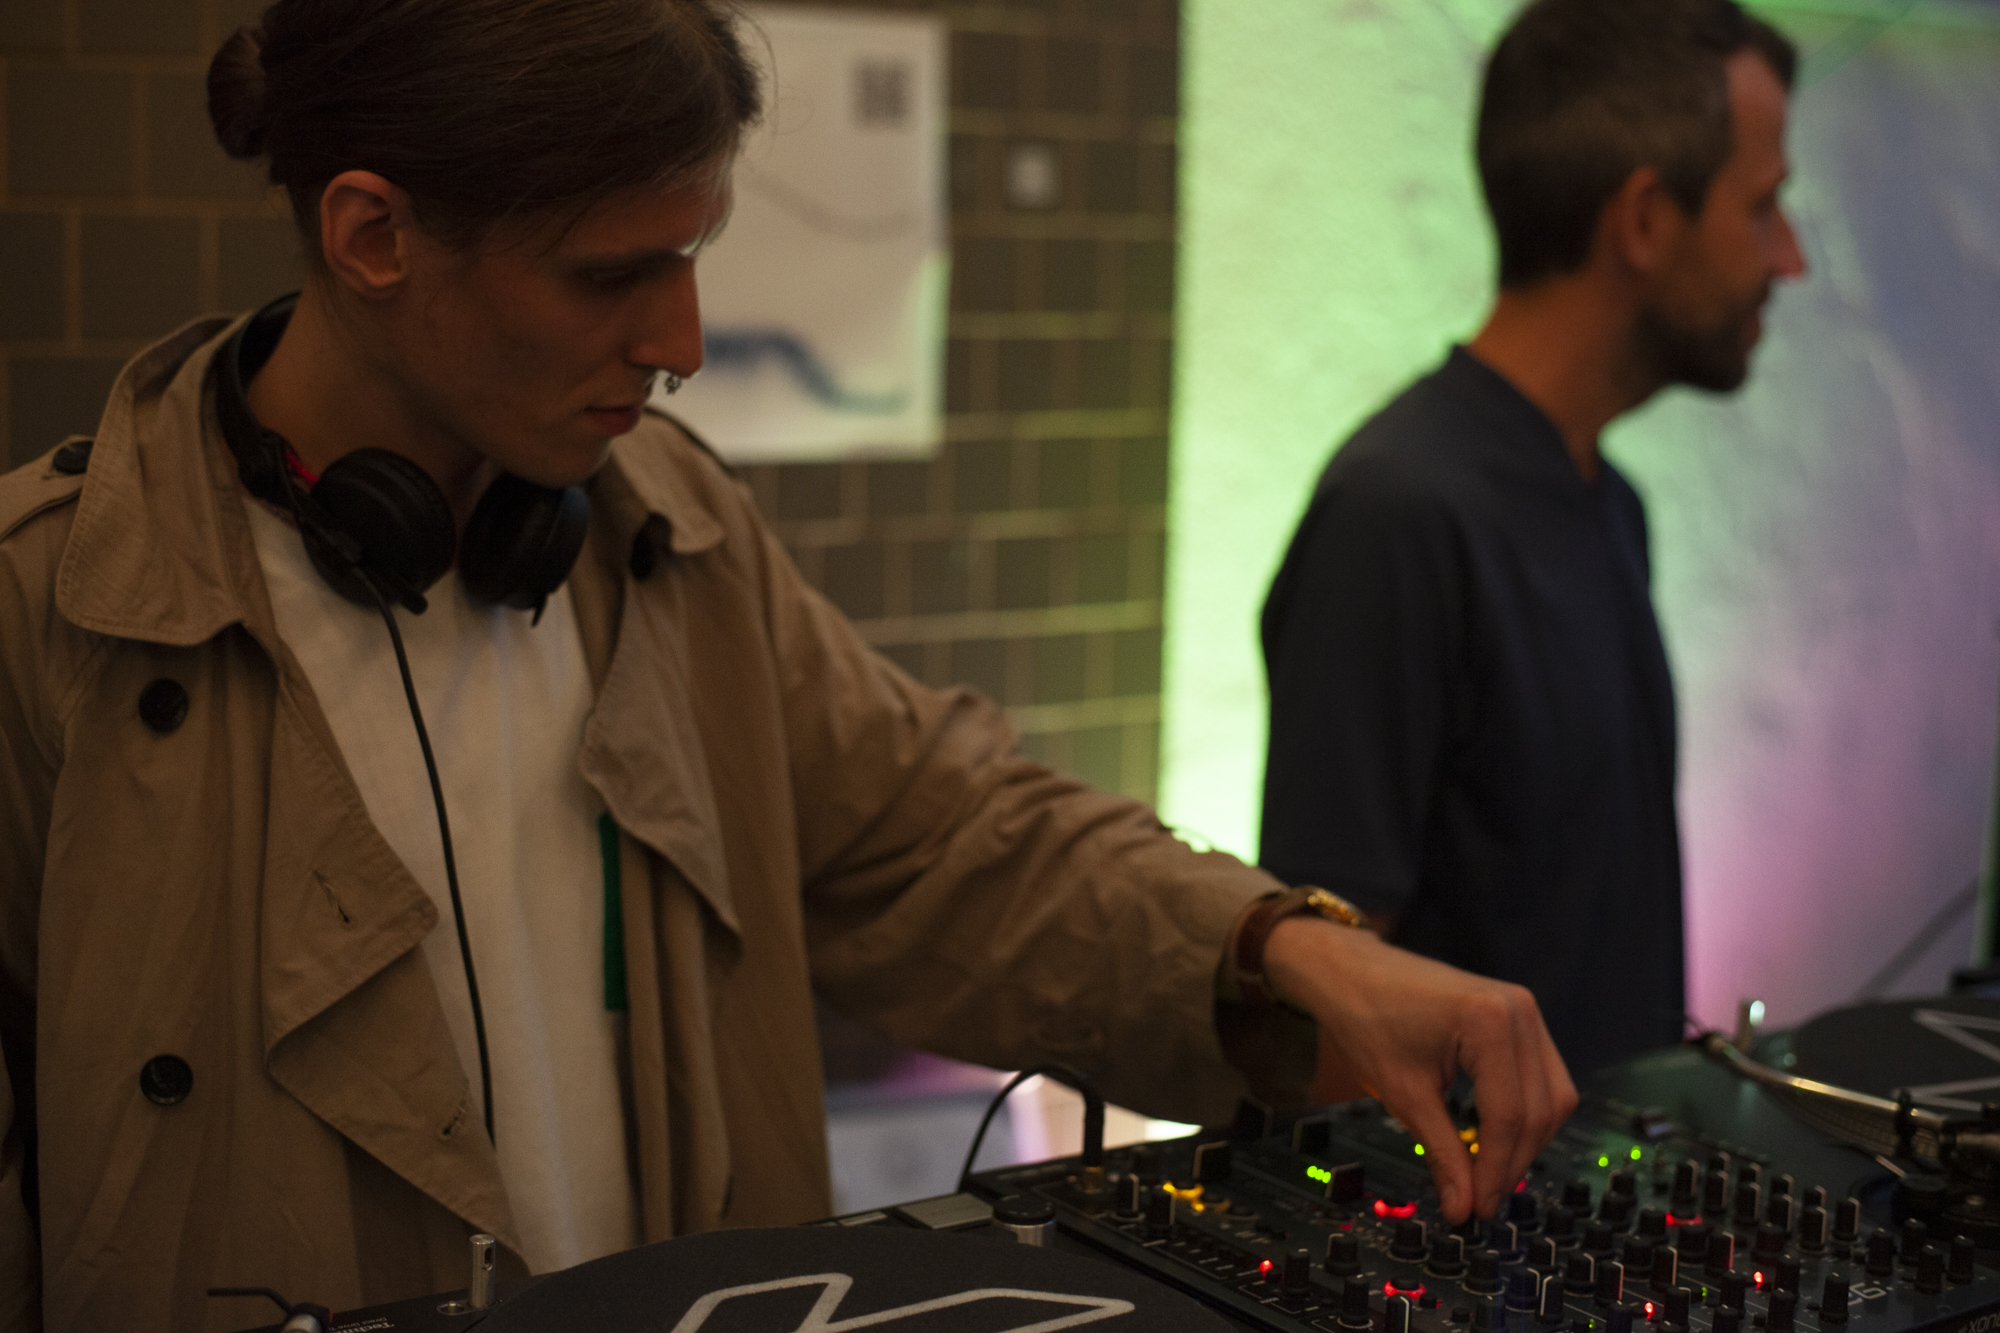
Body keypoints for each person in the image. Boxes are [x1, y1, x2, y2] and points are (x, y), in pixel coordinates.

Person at [0, 1, 1573, 1326]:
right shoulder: (45, 615)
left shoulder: (671, 534)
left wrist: (1279, 944)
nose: (680, 339)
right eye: (609, 275)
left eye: (691, 256)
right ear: (372, 235)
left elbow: (945, 840)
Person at [1260, 0, 1807, 1078]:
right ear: (1642, 221)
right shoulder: (1399, 516)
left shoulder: (1608, 501)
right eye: (1762, 206)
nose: (1787, 259)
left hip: (1603, 1180)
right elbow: (1325, 1016)